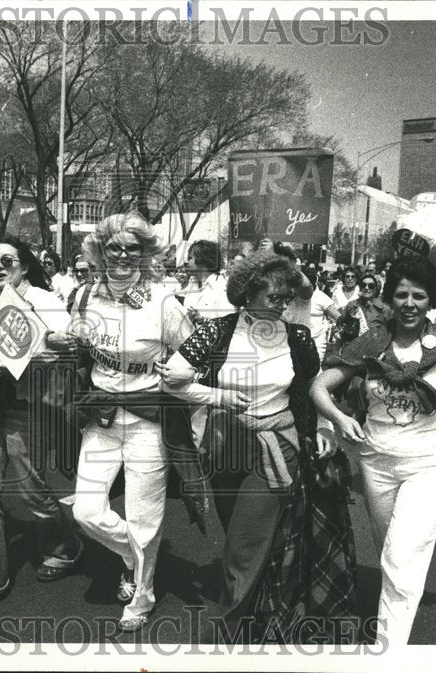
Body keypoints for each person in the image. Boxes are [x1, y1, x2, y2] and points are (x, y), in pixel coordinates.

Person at [311, 256, 436, 645]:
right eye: (401, 294)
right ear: (389, 299)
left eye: (418, 295)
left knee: (401, 556)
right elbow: (319, 386)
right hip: (377, 463)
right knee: (393, 549)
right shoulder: (373, 341)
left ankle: (389, 649)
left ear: (431, 301)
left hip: (432, 463)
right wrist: (337, 417)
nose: (409, 302)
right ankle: (399, 607)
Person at [159, 250, 356, 642]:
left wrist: (318, 428)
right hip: (224, 443)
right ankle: (264, 617)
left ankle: (226, 636)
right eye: (273, 298)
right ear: (246, 295)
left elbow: (306, 390)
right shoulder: (217, 332)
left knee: (243, 548)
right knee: (239, 535)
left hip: (276, 444)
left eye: (285, 299)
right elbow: (171, 382)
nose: (281, 305)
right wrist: (217, 398)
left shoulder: (297, 337)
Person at [68, 212, 195, 633]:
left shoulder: (164, 303)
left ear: (145, 254)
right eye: (114, 247)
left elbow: (194, 358)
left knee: (144, 516)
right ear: (100, 253)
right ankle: (132, 556)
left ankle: (143, 594)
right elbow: (77, 351)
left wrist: (185, 383)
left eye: (132, 248)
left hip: (149, 421)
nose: (122, 254)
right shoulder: (83, 297)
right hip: (101, 417)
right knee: (86, 511)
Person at [0, 237, 83, 612]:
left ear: (24, 266)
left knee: (31, 492)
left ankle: (65, 547)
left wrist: (28, 356)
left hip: (31, 408)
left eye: (7, 259)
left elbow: (66, 351)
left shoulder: (45, 301)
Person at [283, 260, 340, 362]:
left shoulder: (321, 297)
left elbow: (338, 316)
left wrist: (336, 331)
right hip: (293, 342)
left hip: (316, 342)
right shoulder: (291, 296)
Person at [181, 240, 231, 323]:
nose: (187, 262)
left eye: (190, 258)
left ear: (202, 260)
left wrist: (204, 320)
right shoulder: (192, 282)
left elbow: (227, 323)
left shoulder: (221, 287)